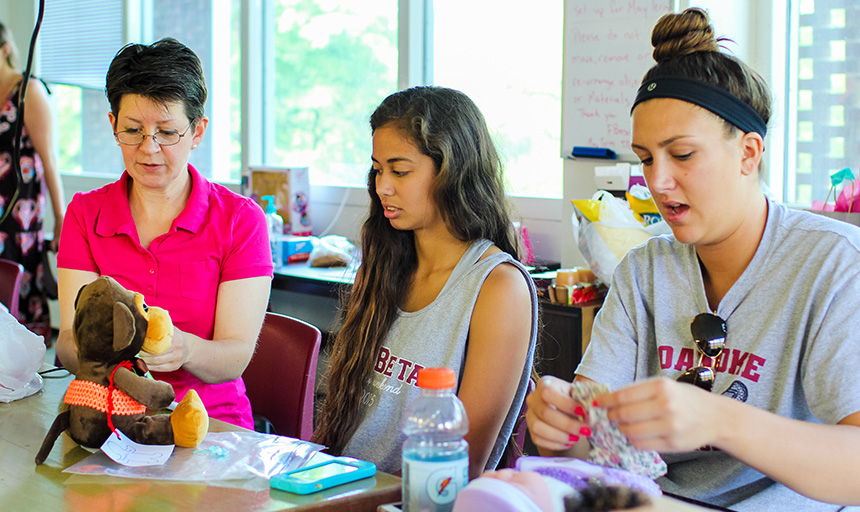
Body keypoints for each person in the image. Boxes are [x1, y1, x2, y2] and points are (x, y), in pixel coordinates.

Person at [526, 8, 860, 511]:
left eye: (681, 155)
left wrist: (719, 419)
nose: (656, 182)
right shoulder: (644, 271)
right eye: (644, 158)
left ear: (749, 153)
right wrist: (562, 427)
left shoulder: (832, 265)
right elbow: (593, 444)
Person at [312, 86, 538, 479]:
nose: (383, 185)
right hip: (341, 490)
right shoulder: (379, 267)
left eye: (399, 170)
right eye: (378, 169)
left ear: (453, 171)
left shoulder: (498, 288)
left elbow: (461, 465)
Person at [55, 38, 272, 429]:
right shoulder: (86, 214)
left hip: (209, 426)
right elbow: (69, 341)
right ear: (112, 125)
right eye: (133, 130)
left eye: (167, 132)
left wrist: (185, 349)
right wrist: (103, 358)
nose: (148, 149)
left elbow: (235, 356)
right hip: (105, 420)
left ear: (198, 131)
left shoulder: (241, 220)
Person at [0, 22, 64, 341]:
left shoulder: (28, 91)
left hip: (20, 222)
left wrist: (62, 218)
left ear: (5, 49)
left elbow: (50, 160)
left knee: (20, 312)